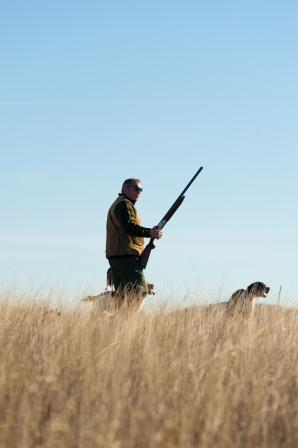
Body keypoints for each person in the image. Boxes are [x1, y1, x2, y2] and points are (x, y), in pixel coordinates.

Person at [106, 178, 163, 305]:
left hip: (116, 256)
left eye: (141, 190)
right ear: (126, 189)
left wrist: (150, 232)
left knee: (123, 295)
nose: (139, 192)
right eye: (136, 189)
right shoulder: (125, 204)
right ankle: (128, 320)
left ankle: (116, 322)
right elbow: (129, 227)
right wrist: (150, 233)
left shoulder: (119, 204)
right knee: (140, 291)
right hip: (126, 257)